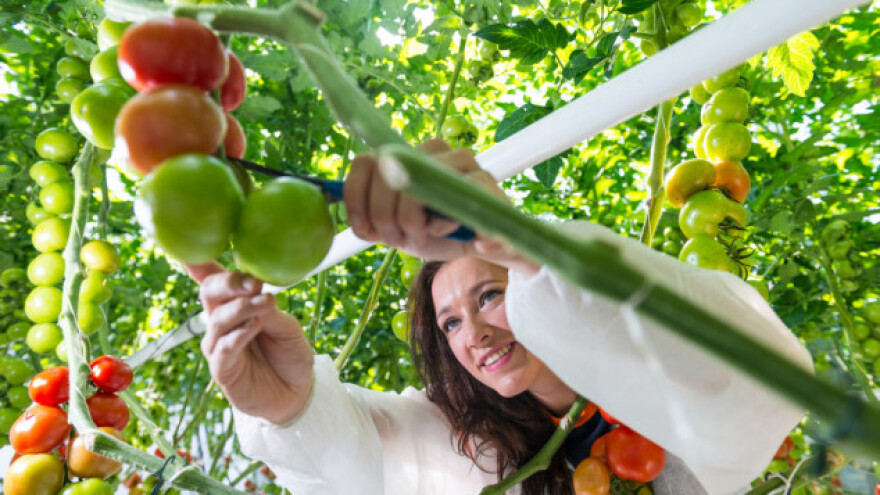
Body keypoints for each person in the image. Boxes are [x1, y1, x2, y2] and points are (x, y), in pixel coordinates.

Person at [185, 140, 813, 495]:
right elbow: (360, 457)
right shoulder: (455, 435)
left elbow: (757, 385)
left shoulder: (645, 388)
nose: (475, 334)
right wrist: (290, 408)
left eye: (489, 295)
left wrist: (517, 242)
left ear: (539, 290)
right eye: (450, 324)